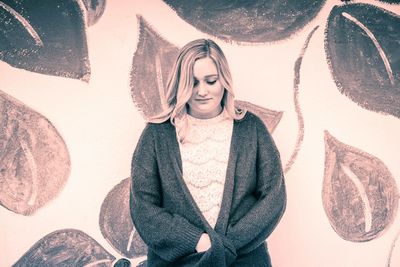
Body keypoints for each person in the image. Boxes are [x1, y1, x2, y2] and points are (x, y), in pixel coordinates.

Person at [130, 39, 286, 267]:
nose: (202, 91)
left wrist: (224, 246)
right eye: (193, 83)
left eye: (211, 81)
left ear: (224, 80)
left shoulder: (251, 128)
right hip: (176, 262)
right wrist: (195, 241)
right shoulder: (157, 135)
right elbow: (143, 206)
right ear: (181, 84)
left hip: (244, 260)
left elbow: (274, 197)